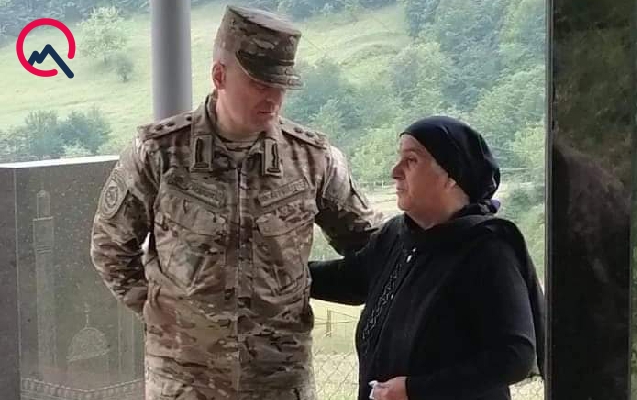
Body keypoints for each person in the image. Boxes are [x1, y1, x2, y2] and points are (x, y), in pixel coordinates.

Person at [90, 5, 381, 400]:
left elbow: (373, 247)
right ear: (219, 75)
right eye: (259, 83)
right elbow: (110, 246)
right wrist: (161, 313)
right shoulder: (160, 153)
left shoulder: (313, 160)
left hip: (279, 380)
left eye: (281, 85)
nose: (273, 98)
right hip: (185, 382)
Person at [310, 116, 546, 400]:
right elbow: (350, 279)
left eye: (411, 160)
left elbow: (514, 355)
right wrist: (278, 273)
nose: (395, 171)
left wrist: (415, 390)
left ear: (450, 175)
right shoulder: (397, 235)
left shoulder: (487, 249)